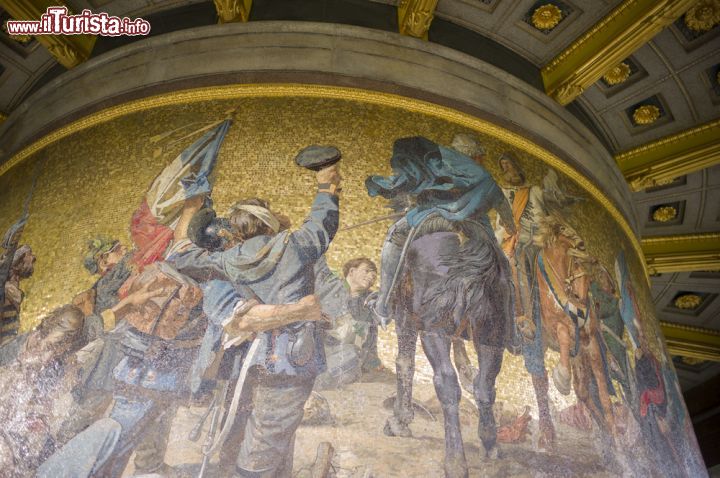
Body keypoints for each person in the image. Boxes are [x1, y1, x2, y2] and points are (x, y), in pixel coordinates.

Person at [169, 144, 342, 477]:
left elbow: (180, 255)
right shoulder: (294, 243)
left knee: (267, 441)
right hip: (294, 359)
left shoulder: (227, 259)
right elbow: (323, 222)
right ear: (267, 224)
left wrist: (193, 205)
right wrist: (326, 184)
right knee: (264, 447)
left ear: (235, 231)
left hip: (257, 360)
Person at [343, 257, 382, 372]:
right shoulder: (332, 290)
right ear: (352, 271)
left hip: (359, 362)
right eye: (367, 271)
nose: (371, 277)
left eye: (374, 276)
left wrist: (374, 361)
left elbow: (371, 338)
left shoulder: (372, 300)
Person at [0, 244, 35, 365]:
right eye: (29, 255)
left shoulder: (11, 289)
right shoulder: (7, 290)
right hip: (5, 349)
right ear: (17, 264)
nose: (33, 257)